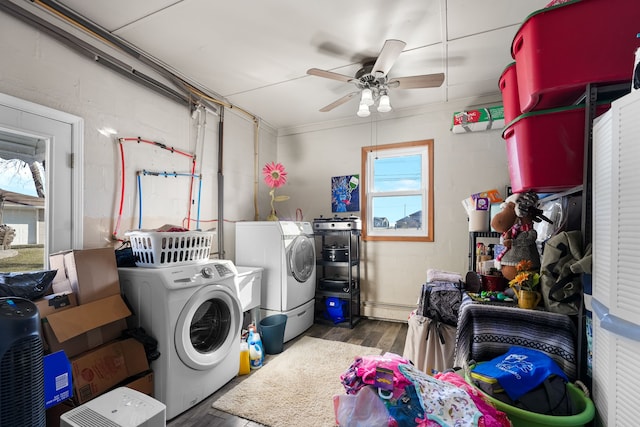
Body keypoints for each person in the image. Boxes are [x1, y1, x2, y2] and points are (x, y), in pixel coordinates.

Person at [491, 191, 551, 281]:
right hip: (514, 276)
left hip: (526, 268)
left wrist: (512, 242)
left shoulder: (529, 231)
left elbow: (529, 240)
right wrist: (507, 237)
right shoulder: (513, 229)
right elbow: (502, 236)